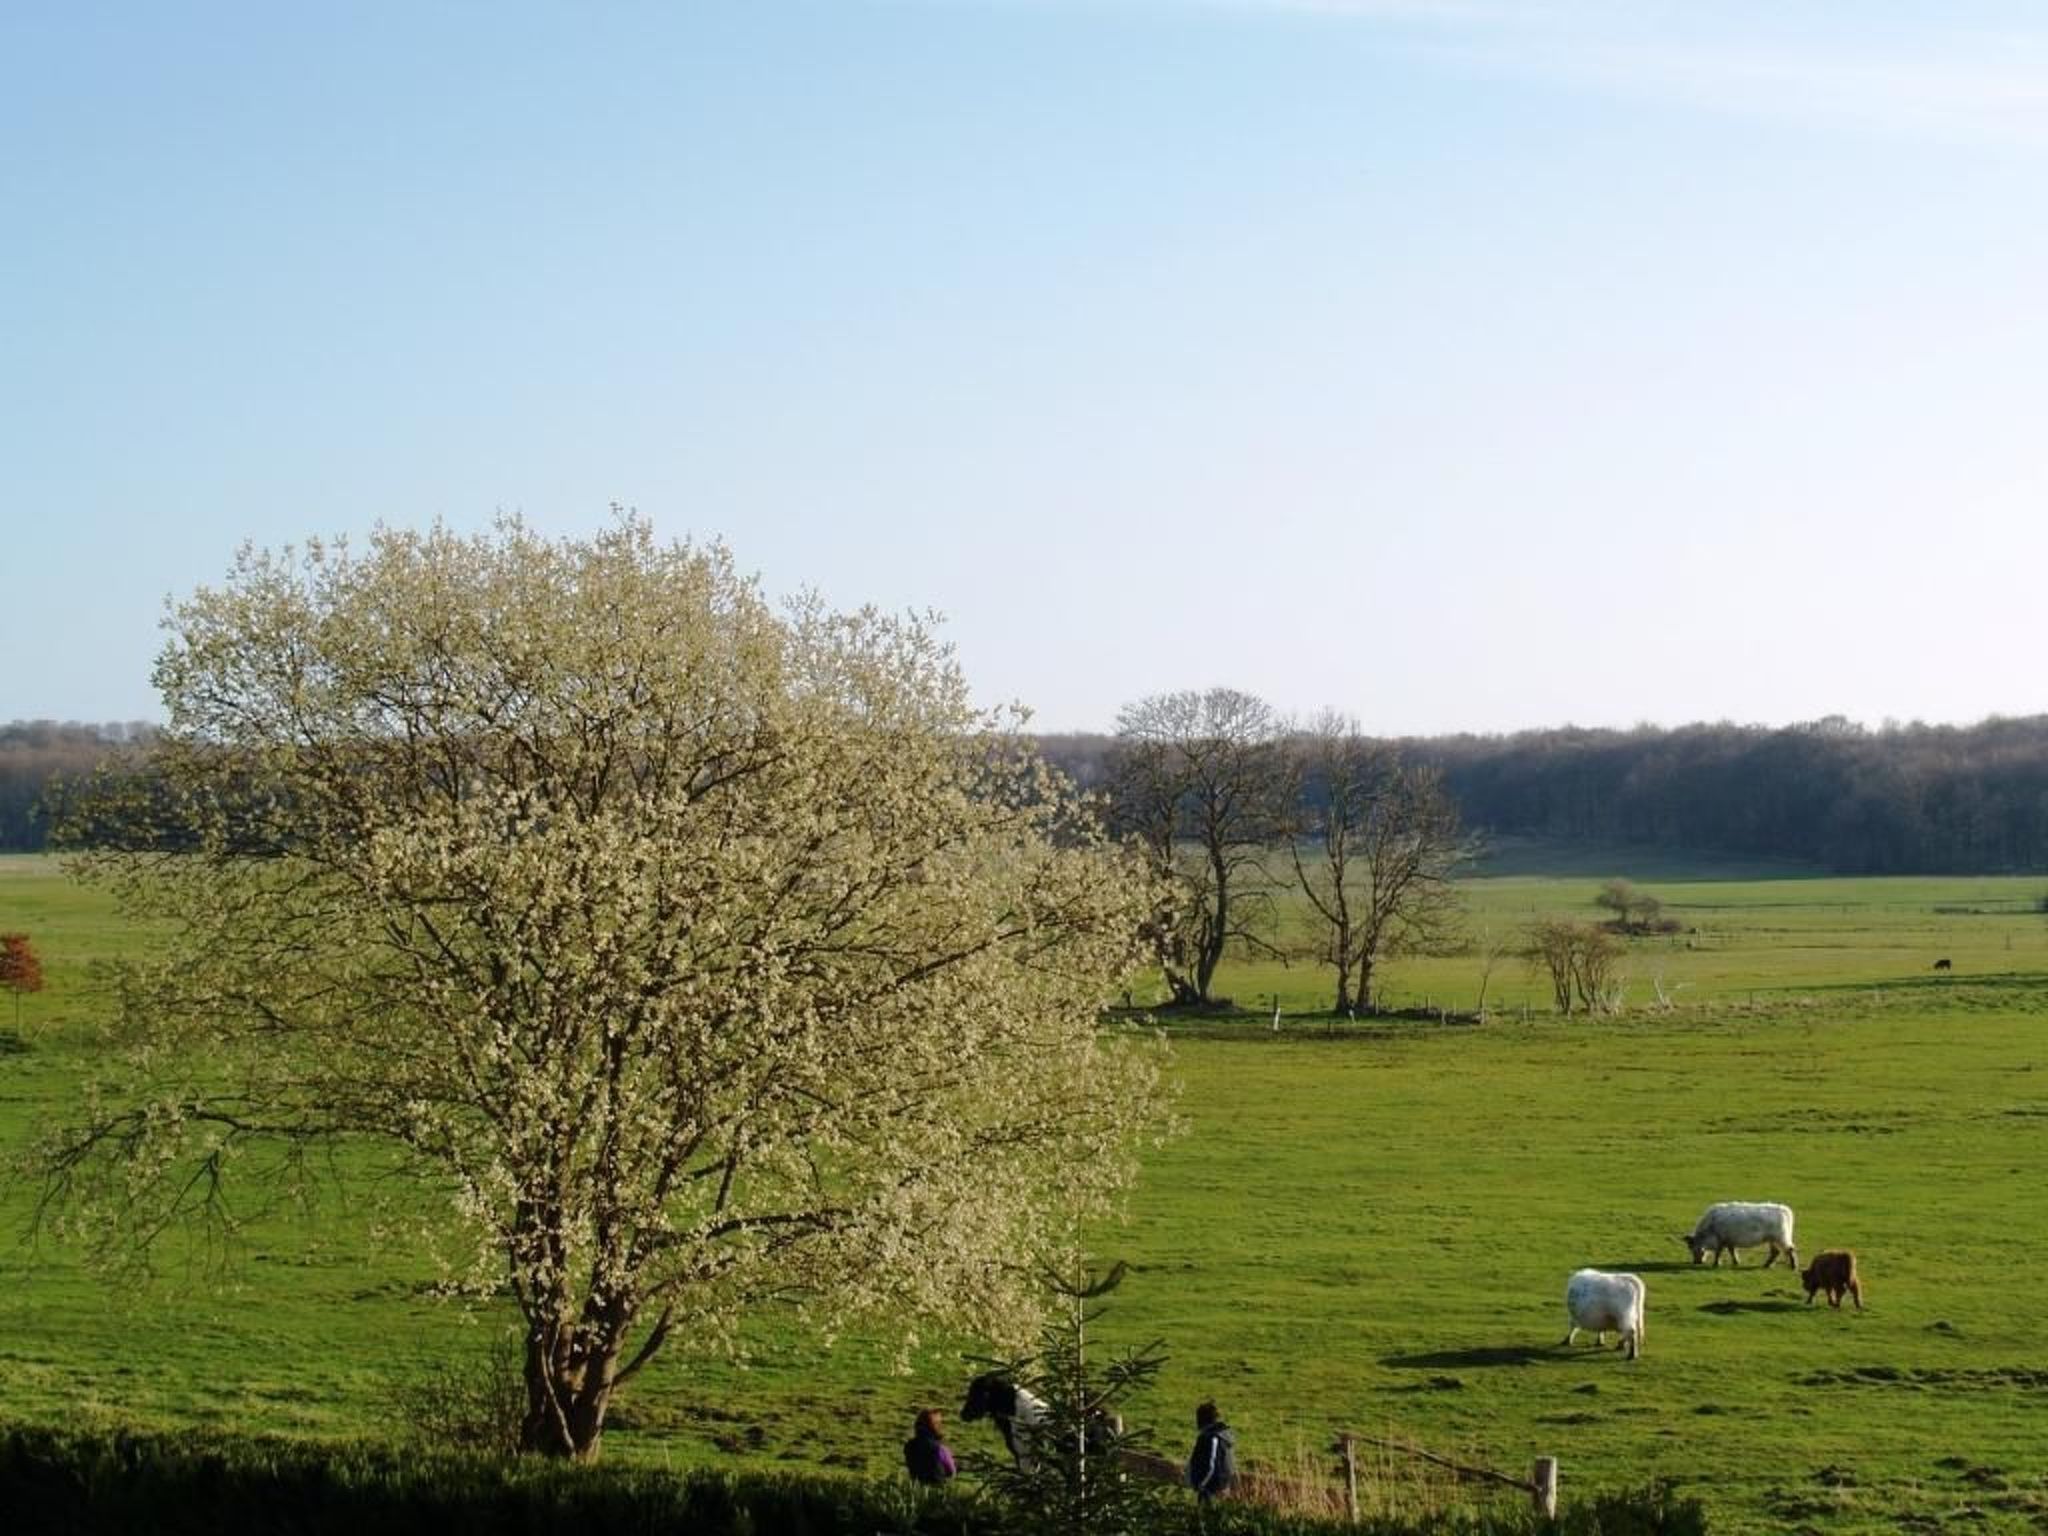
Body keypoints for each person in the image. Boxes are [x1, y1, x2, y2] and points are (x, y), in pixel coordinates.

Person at [1186, 1401, 1235, 1502]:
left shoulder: (1209, 1437)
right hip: (1224, 1486)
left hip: (1210, 1489)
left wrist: (1201, 1484)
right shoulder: (1224, 1436)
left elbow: (1210, 1465)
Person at [904, 1407, 957, 1485]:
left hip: (917, 1488)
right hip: (938, 1490)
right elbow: (952, 1472)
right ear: (935, 1426)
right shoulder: (940, 1449)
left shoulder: (909, 1446)